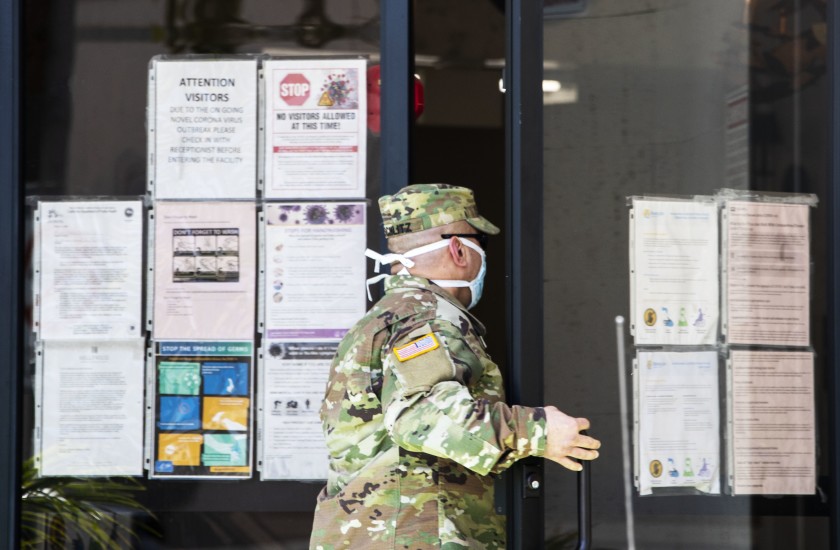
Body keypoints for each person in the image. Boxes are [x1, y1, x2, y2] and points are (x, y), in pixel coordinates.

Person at [310, 183, 601, 549]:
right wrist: (540, 431)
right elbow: (423, 416)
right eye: (481, 242)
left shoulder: (387, 317)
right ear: (459, 248)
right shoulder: (424, 319)